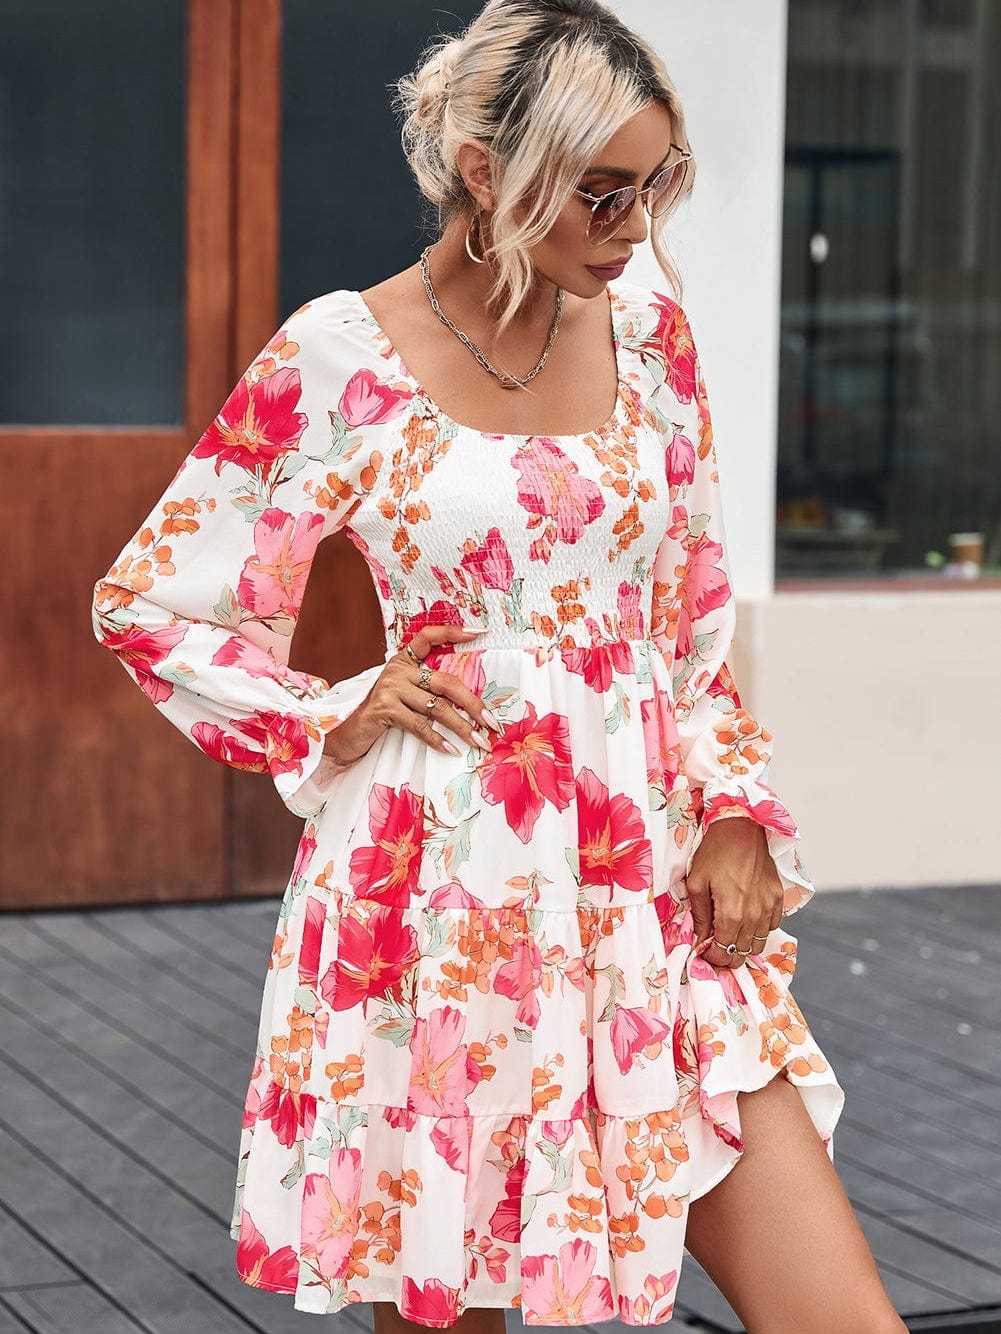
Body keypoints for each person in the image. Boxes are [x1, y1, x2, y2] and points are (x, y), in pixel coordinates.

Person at [91, 1, 906, 1330]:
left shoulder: (653, 341)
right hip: (436, 903)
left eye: (656, 188)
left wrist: (741, 810)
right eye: (601, 192)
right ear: (485, 173)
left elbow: (690, 625)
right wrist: (330, 706)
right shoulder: (339, 358)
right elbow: (149, 602)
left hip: (652, 899)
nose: (634, 226)